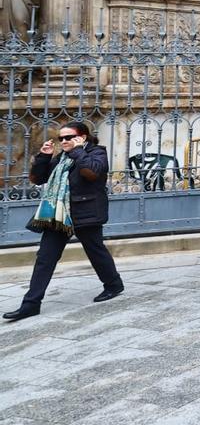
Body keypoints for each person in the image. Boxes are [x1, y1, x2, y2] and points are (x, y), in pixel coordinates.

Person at [4, 121, 124, 322]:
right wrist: (44, 157)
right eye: (61, 138)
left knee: (95, 251)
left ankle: (113, 284)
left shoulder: (97, 153)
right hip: (58, 214)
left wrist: (78, 151)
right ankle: (31, 304)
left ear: (82, 137)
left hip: (86, 212)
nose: (64, 141)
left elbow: (92, 173)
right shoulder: (61, 158)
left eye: (68, 137)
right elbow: (38, 179)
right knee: (45, 257)